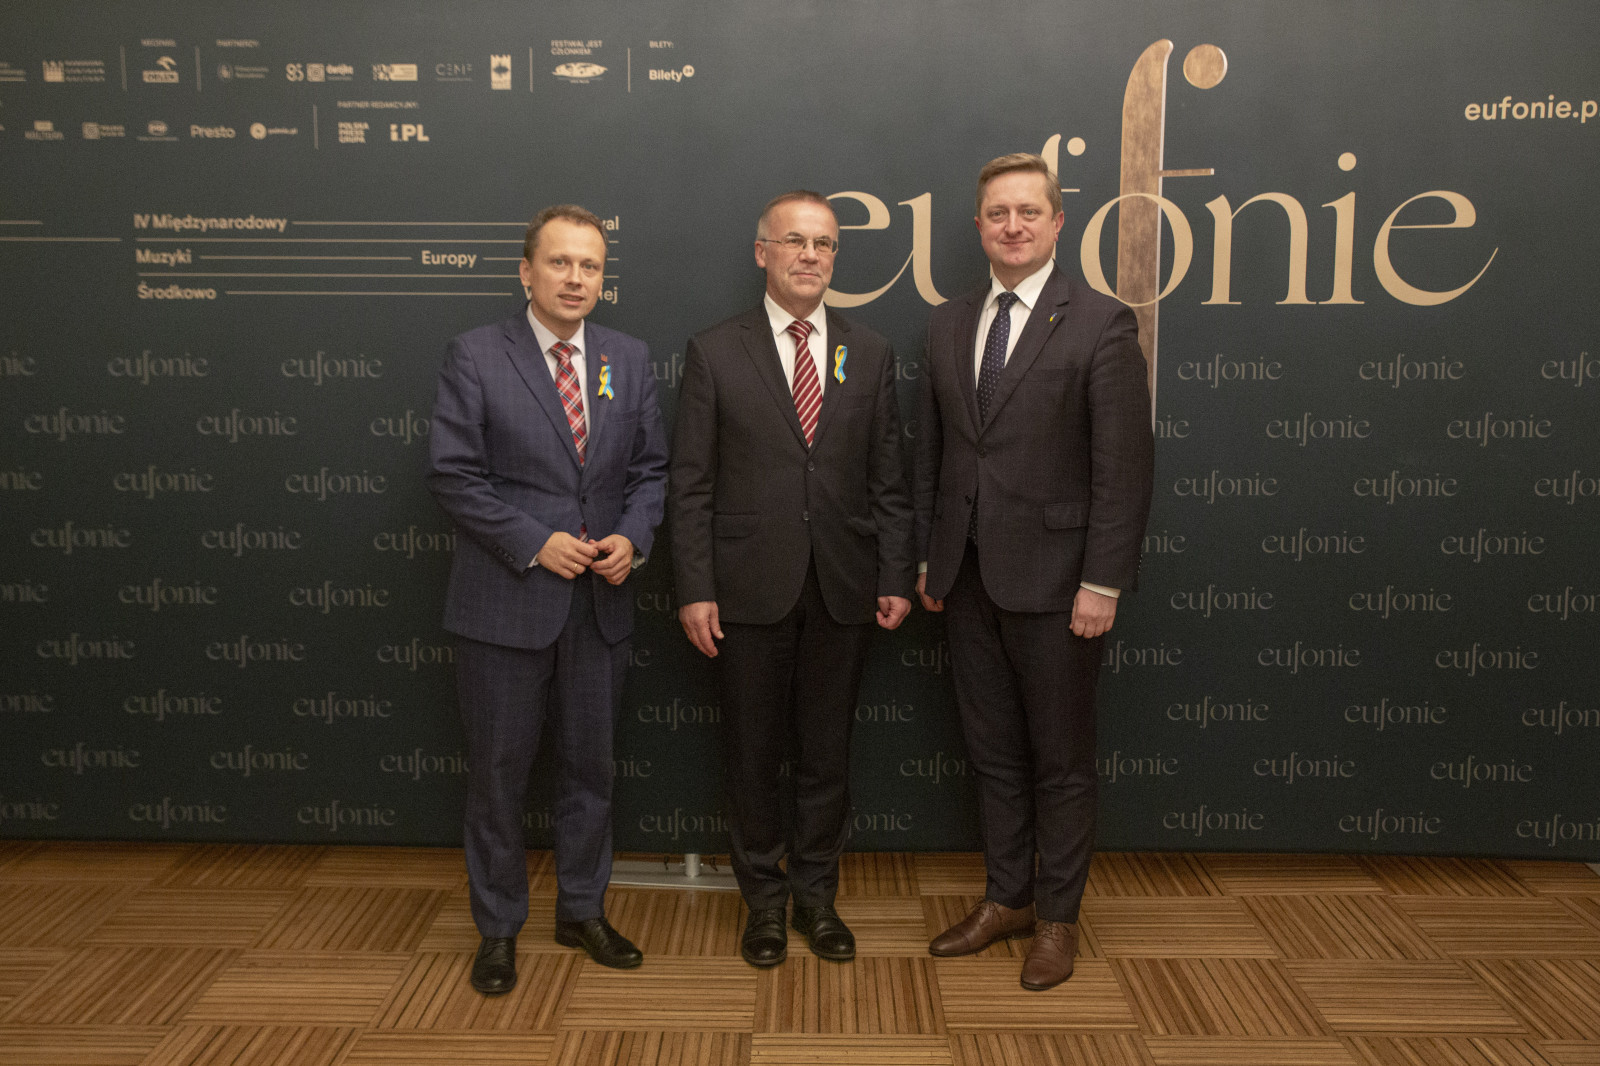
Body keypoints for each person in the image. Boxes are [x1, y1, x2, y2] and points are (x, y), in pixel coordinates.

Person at [913, 154, 1153, 990]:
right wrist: (931, 558)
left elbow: (1124, 470)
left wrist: (1102, 583)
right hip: (966, 578)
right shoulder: (948, 323)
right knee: (992, 756)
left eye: (1027, 212)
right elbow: (938, 453)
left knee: (1061, 762)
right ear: (978, 226)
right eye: (997, 213)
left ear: (1057, 223)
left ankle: (1057, 917)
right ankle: (1007, 898)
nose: (1011, 226)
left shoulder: (1102, 323)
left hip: (1060, 586)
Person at [669, 190, 915, 968]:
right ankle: (765, 905)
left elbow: (889, 480)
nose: (811, 255)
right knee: (752, 756)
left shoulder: (870, 352)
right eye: (795, 241)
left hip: (844, 585)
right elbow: (691, 484)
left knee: (826, 755)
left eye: (825, 244)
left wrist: (895, 572)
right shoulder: (715, 351)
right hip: (746, 589)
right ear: (762, 253)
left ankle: (816, 897)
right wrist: (695, 586)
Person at [427, 204, 668, 994]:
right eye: (560, 263)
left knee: (590, 771)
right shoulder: (475, 354)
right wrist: (537, 541)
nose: (575, 278)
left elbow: (651, 472)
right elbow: (453, 476)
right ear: (527, 272)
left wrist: (632, 537)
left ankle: (582, 911)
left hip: (600, 606)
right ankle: (498, 929)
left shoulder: (628, 357)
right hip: (505, 605)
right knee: (499, 777)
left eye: (590, 266)